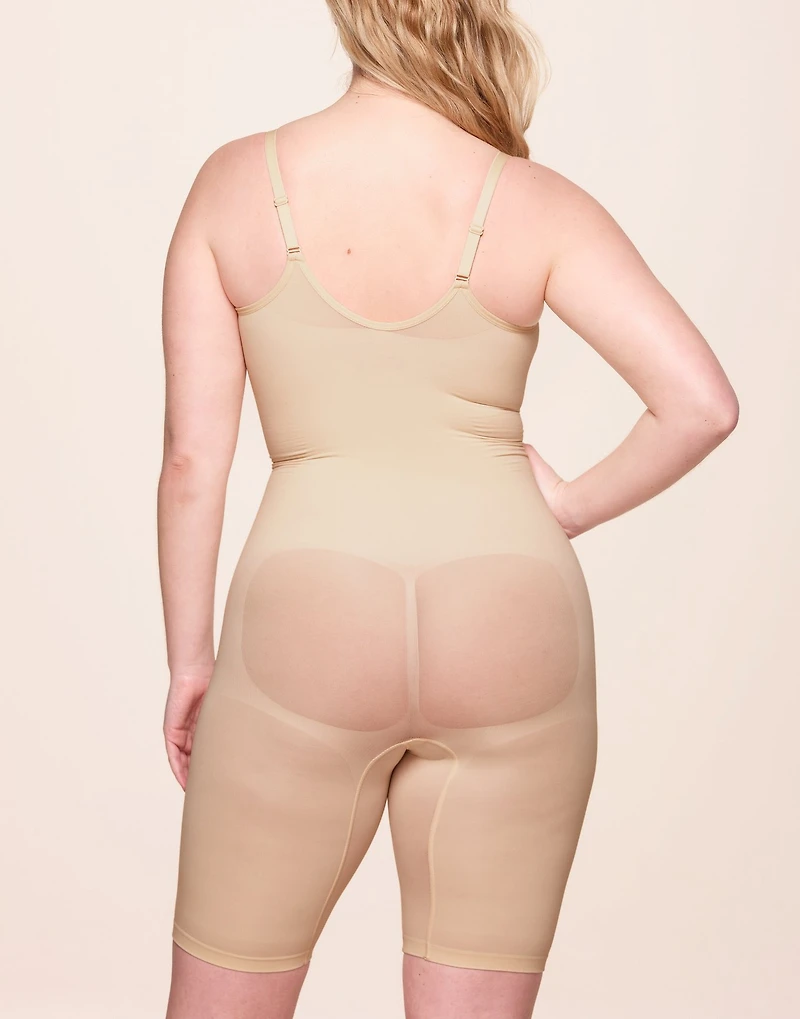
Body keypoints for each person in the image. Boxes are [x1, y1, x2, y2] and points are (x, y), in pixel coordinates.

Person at [157, 2, 739, 1017]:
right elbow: (701, 404)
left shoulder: (234, 184)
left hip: (309, 612)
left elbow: (191, 461)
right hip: (510, 613)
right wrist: (568, 503)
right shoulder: (533, 199)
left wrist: (189, 662)